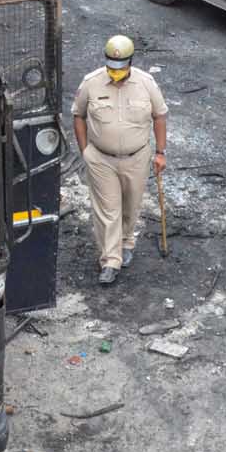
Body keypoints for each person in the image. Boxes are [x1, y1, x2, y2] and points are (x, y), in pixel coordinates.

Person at [72, 35, 168, 286]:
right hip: (102, 159)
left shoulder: (146, 83)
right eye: (111, 67)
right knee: (108, 211)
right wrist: (85, 151)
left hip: (137, 157)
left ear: (130, 61)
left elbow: (160, 116)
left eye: (121, 67)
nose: (116, 72)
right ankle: (110, 260)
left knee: (131, 205)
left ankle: (126, 241)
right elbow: (78, 116)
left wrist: (160, 152)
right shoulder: (91, 83)